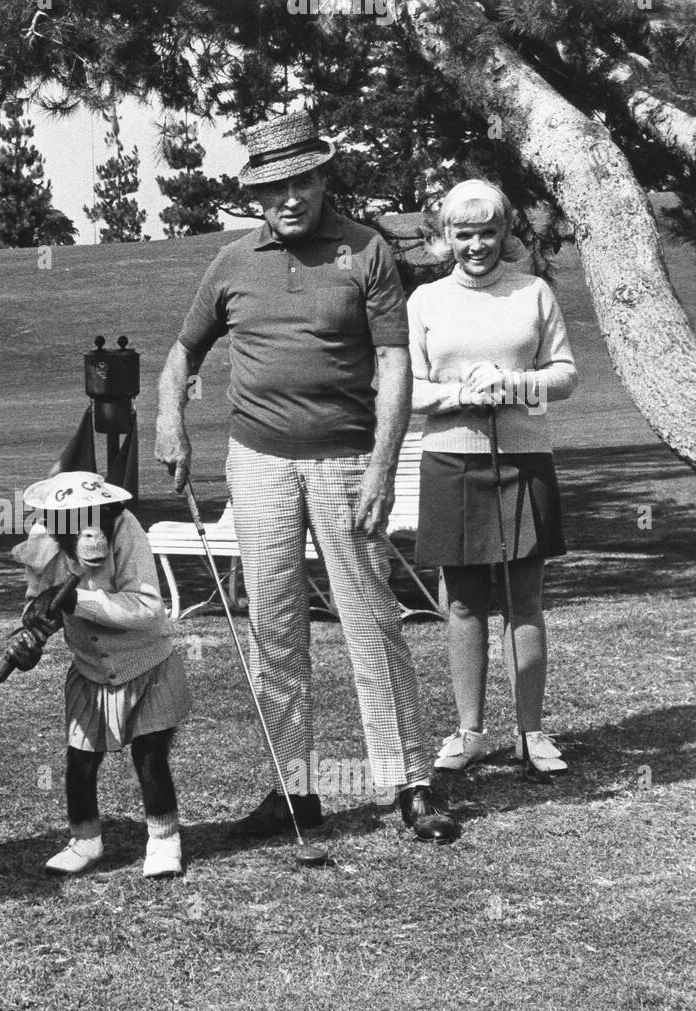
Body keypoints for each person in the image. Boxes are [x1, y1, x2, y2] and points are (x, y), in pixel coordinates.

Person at [154, 109, 457, 843]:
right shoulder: (231, 262)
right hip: (257, 462)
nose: (290, 198)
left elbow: (392, 363)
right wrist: (169, 419)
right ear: (255, 196)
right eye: (273, 188)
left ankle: (408, 782)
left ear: (323, 177)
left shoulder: (367, 251)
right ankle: (294, 791)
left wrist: (384, 463)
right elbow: (181, 353)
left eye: (303, 181)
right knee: (275, 627)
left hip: (347, 459)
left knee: (371, 619)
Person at [408, 179, 578, 775]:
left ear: (505, 232)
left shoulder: (533, 292)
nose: (476, 244)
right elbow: (409, 388)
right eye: (463, 232)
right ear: (445, 237)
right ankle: (469, 732)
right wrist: (458, 395)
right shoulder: (425, 300)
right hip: (452, 460)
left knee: (524, 601)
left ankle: (531, 733)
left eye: (488, 231)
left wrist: (514, 385)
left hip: (523, 458)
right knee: (462, 604)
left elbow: (565, 374)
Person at [6, 472, 191, 878]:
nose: (93, 538)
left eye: (98, 522)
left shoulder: (126, 528)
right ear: (57, 523)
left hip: (147, 665)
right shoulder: (43, 539)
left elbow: (147, 609)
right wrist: (28, 635)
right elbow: (41, 606)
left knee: (149, 755)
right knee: (80, 759)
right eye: (80, 525)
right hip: (90, 670)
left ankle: (163, 841)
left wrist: (77, 599)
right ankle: (85, 840)